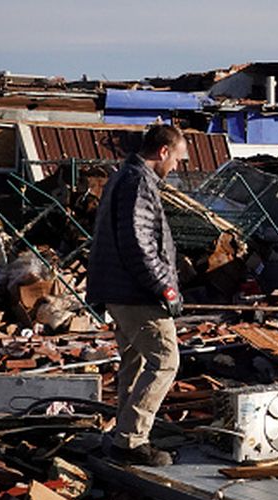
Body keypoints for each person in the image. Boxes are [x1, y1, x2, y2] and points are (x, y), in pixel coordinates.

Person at [87, 124, 187, 466]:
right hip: (135, 293)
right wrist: (165, 287)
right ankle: (130, 442)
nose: (176, 166)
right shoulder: (138, 181)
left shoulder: (124, 176)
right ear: (163, 152)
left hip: (119, 289)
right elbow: (138, 245)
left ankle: (124, 435)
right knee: (165, 360)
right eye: (176, 158)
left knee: (136, 361)